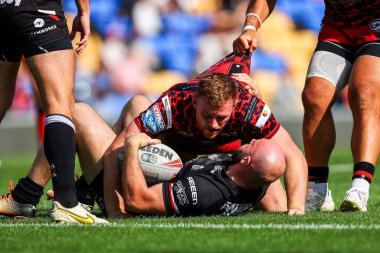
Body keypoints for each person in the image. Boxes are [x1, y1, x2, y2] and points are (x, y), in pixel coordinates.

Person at [103, 53, 307, 217]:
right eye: (206, 115)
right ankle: (93, 188)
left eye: (221, 117)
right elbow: (115, 150)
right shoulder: (173, 104)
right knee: (136, 104)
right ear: (194, 103)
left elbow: (292, 154)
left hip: (232, 155)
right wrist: (115, 210)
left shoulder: (250, 109)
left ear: (235, 106)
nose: (213, 124)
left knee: (278, 209)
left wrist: (297, 206)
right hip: (179, 149)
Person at [0, 102, 285, 219]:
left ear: (247, 161)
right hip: (154, 178)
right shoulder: (254, 178)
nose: (250, 140)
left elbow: (137, 202)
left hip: (125, 191)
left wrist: (133, 149)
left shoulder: (207, 192)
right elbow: (274, 193)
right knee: (138, 103)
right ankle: (83, 191)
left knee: (74, 111)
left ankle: (24, 198)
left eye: (254, 144)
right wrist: (293, 208)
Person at [234, 0, 380, 212]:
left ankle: (360, 186)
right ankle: (317, 190)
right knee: (314, 97)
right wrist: (250, 27)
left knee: (364, 94)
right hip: (337, 29)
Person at [0, 0, 107, 223]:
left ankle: (24, 197)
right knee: (61, 103)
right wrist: (83, 10)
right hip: (36, 7)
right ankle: (67, 203)